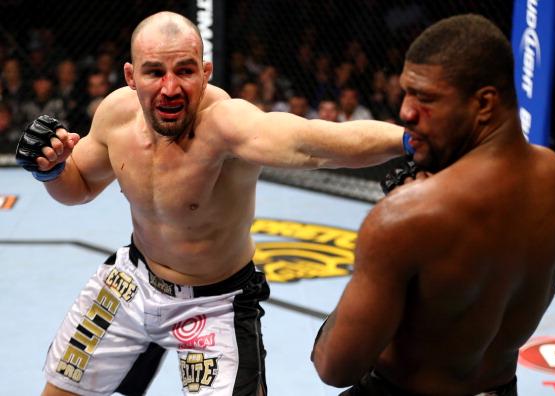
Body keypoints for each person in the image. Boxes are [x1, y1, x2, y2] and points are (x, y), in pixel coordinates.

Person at [15, 11, 408, 396]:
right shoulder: (116, 116)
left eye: (185, 71)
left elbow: (314, 144)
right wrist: (50, 170)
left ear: (205, 73)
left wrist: (410, 140)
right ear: (131, 77)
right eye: (155, 72)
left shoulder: (227, 125)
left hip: (216, 301)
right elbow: (78, 187)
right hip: (132, 280)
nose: (170, 88)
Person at [311, 14, 555, 396]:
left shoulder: (406, 219)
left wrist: (390, 231)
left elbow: (334, 366)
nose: (405, 111)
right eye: (405, 92)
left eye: (425, 97)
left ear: (484, 103)